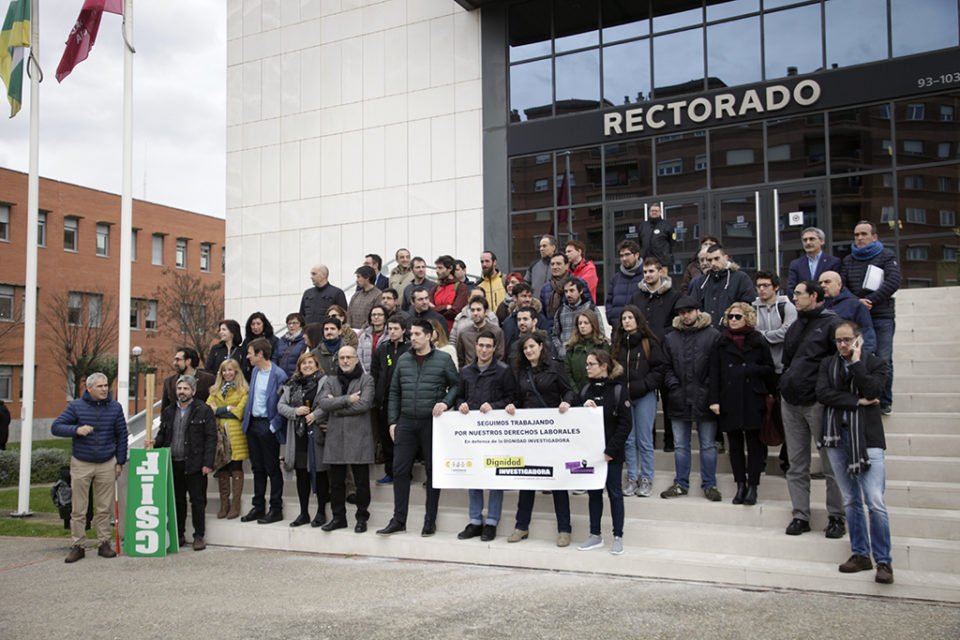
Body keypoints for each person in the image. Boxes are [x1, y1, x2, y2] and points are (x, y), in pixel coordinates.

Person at [816, 320, 894, 584]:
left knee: (875, 501)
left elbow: (874, 390)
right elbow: (823, 394)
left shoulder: (876, 363)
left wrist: (857, 363)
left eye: (847, 339)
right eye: (838, 340)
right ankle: (860, 554)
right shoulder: (828, 364)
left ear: (858, 339)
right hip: (838, 436)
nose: (842, 345)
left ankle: (883, 561)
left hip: (868, 439)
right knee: (850, 499)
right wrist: (856, 401)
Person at [377, 319, 459, 537]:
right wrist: (393, 421)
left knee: (433, 471)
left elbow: (457, 385)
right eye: (411, 334)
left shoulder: (443, 359)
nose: (411, 337)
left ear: (429, 336)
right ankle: (399, 519)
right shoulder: (403, 360)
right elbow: (394, 391)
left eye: (416, 334)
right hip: (405, 422)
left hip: (432, 423)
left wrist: (446, 402)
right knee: (400, 470)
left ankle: (430, 520)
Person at [779, 281, 845, 538]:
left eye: (798, 294)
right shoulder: (795, 326)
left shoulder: (831, 324)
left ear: (814, 296)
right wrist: (783, 384)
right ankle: (800, 515)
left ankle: (837, 517)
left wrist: (824, 392)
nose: (794, 298)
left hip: (818, 403)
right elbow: (786, 362)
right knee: (796, 464)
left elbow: (839, 364)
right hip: (791, 402)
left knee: (831, 464)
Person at [505, 332, 576, 547]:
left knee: (557, 482)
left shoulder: (555, 367)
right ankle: (521, 526)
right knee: (527, 481)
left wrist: (567, 403)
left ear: (541, 346)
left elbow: (569, 391)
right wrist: (511, 405)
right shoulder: (521, 372)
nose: (528, 351)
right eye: (525, 348)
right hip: (529, 436)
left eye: (532, 347)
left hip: (551, 433)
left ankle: (564, 529)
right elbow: (517, 398)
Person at [51, 372, 128, 563]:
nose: (104, 389)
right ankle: (78, 545)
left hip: (106, 462)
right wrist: (76, 430)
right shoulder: (76, 406)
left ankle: (104, 543)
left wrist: (119, 462)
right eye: (100, 386)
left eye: (106, 386)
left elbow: (122, 435)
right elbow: (56, 426)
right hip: (81, 462)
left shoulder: (115, 407)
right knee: (79, 508)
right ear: (89, 388)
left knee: (104, 508)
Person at [708, 303, 775, 506]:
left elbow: (769, 369)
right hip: (730, 398)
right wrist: (714, 400)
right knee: (735, 445)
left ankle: (753, 486)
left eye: (738, 316)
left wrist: (752, 371)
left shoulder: (758, 340)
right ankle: (740, 485)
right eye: (730, 317)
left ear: (748, 317)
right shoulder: (721, 342)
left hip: (753, 397)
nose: (734, 320)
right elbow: (714, 373)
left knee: (755, 445)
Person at [455, 331, 518, 542]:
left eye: (488, 346)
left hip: (495, 434)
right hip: (472, 434)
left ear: (494, 348)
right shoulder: (465, 372)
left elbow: (512, 398)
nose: (483, 350)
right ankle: (474, 521)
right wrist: (460, 404)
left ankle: (491, 522)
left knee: (494, 477)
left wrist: (495, 406)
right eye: (480, 345)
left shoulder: (503, 371)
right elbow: (459, 396)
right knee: (474, 475)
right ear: (475, 346)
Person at [661, 296, 721, 501]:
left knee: (708, 444)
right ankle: (681, 483)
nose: (686, 315)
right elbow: (666, 367)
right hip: (679, 398)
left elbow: (716, 368)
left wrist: (708, 390)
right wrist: (674, 387)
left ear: (698, 311)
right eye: (682, 312)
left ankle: (710, 484)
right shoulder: (671, 338)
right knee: (680, 445)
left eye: (689, 311)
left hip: (705, 398)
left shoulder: (713, 335)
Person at [840, 221, 901, 415]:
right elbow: (842, 285)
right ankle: (863, 394)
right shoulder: (848, 260)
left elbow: (893, 281)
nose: (859, 238)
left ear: (874, 237)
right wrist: (857, 302)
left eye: (864, 234)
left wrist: (870, 301)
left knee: (883, 358)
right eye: (857, 234)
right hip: (857, 317)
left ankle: (884, 400)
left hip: (881, 316)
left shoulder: (887, 256)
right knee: (857, 356)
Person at [152, 375, 217, 550]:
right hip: (173, 463)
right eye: (179, 388)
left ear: (193, 391)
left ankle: (198, 536)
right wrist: (154, 443)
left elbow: (211, 438)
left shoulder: (204, 410)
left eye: (186, 389)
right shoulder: (168, 411)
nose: (182, 392)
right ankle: (178, 534)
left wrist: (208, 462)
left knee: (197, 501)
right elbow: (162, 434)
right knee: (177, 501)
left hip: (195, 464)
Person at [577, 350, 632, 555]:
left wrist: (611, 451)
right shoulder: (584, 391)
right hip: (592, 455)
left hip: (611, 454)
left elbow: (626, 424)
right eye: (587, 364)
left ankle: (618, 536)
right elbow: (577, 422)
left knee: (615, 494)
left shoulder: (617, 390)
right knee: (594, 494)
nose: (587, 367)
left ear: (603, 366)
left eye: (591, 364)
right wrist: (583, 408)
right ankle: (595, 535)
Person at [318, 346, 375, 533]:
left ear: (356, 359)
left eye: (348, 357)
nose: (345, 361)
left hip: (359, 437)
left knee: (361, 482)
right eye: (342, 357)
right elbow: (323, 403)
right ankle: (338, 518)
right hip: (335, 438)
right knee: (336, 482)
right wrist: (347, 399)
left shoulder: (367, 380)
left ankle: (361, 518)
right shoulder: (330, 380)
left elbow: (363, 405)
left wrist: (336, 405)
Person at [612, 305, 666, 498]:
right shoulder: (617, 343)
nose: (626, 321)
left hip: (644, 397)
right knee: (628, 439)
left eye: (630, 318)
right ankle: (632, 478)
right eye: (624, 318)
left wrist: (645, 385)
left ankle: (646, 479)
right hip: (624, 399)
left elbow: (659, 369)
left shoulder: (649, 342)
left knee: (644, 440)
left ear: (638, 320)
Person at [630, 256, 681, 451]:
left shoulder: (673, 296)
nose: (648, 275)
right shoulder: (637, 297)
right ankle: (648, 439)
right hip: (642, 354)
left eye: (651, 271)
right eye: (645, 272)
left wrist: (659, 337)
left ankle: (669, 440)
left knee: (668, 398)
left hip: (666, 352)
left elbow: (675, 324)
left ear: (660, 272)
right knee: (645, 397)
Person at [240, 336, 289, 524]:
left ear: (260, 354)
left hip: (267, 426)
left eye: (250, 353)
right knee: (257, 468)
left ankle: (276, 508)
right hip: (253, 424)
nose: (247, 357)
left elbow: (282, 403)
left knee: (272, 468)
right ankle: (258, 506)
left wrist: (272, 426)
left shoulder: (278, 375)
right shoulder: (254, 372)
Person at [278, 351, 329, 528]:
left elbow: (329, 403)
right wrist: (295, 412)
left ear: (316, 365)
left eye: (310, 363)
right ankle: (304, 512)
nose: (307, 366)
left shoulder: (325, 381)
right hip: (298, 435)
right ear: (299, 367)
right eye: (303, 363)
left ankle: (321, 511)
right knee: (301, 474)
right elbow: (281, 406)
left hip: (317, 434)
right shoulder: (291, 385)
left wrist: (316, 414)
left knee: (320, 473)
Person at [753, 270, 796, 472]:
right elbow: (750, 332)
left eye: (766, 285)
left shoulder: (786, 306)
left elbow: (788, 333)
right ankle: (759, 459)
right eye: (759, 286)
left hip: (783, 368)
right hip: (761, 369)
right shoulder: (752, 307)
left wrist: (762, 336)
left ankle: (787, 460)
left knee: (786, 415)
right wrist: (772, 335)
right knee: (760, 415)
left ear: (776, 287)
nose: (762, 289)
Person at [206, 358, 249, 519]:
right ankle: (224, 504)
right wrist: (225, 409)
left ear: (236, 372)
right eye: (224, 370)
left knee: (236, 465)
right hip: (220, 433)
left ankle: (235, 504)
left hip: (236, 433)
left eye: (230, 370)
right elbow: (209, 409)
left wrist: (218, 410)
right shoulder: (215, 389)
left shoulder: (244, 389)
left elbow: (239, 412)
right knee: (222, 466)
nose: (227, 373)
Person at [370, 315, 411, 485]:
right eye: (390, 329)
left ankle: (404, 474)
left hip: (403, 402)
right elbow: (374, 373)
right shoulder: (382, 349)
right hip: (384, 401)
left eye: (395, 329)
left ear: (403, 330)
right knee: (386, 438)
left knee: (403, 440)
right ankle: (390, 472)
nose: (392, 332)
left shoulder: (410, 349)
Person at [691, 243, 755, 330]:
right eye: (709, 260)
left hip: (732, 332)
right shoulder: (701, 282)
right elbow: (693, 305)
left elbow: (747, 306)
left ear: (726, 257)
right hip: (707, 333)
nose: (713, 263)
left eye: (716, 258)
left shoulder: (741, 278)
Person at [819, 271, 877, 354]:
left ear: (839, 285)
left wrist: (862, 356)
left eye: (827, 282)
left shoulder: (855, 306)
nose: (822, 285)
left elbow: (866, 332)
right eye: (820, 283)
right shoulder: (817, 307)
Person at [564, 310, 611, 392]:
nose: (582, 326)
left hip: (600, 391)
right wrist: (576, 392)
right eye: (580, 323)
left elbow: (607, 370)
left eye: (586, 323)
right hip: (578, 393)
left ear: (593, 324)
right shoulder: (571, 347)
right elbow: (567, 372)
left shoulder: (602, 344)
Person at [786, 226, 842, 296]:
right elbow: (791, 289)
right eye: (805, 240)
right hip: (803, 305)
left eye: (812, 239)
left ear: (822, 241)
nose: (808, 242)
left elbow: (836, 287)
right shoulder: (795, 264)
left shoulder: (833, 262)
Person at [551, 278, 597, 359]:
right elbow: (555, 335)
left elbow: (599, 333)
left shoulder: (591, 309)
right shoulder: (560, 311)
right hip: (565, 359)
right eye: (566, 291)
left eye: (572, 291)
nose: (568, 294)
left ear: (581, 291)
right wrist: (560, 349)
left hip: (586, 358)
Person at [456, 296, 505, 368]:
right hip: (470, 375)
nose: (475, 313)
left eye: (478, 310)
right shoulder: (464, 333)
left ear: (486, 312)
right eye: (472, 310)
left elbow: (500, 357)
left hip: (492, 374)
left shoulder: (496, 331)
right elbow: (461, 360)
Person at [605, 240, 644, 329]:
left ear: (637, 255)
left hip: (639, 330)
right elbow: (609, 302)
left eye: (627, 254)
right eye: (621, 256)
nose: (624, 259)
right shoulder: (615, 278)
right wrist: (612, 318)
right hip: (617, 329)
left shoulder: (645, 276)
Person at [162, 347, 215, 411]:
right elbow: (164, 410)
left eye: (177, 360)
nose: (174, 363)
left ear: (188, 361)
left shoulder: (208, 379)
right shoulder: (169, 382)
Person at [500, 283, 547, 351]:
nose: (528, 300)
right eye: (524, 296)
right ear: (515, 298)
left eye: (530, 296)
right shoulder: (508, 321)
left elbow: (546, 343)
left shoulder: (540, 318)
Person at [431, 255, 469, 332]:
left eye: (440, 268)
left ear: (450, 268)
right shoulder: (435, 288)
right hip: (435, 333)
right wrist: (445, 307)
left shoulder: (461, 287)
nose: (437, 271)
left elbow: (456, 311)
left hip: (453, 333)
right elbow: (429, 310)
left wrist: (437, 309)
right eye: (436, 268)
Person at [239, 312, 279, 381]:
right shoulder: (247, 341)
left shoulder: (273, 340)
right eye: (253, 324)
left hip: (267, 374)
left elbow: (275, 358)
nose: (255, 327)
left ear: (264, 324)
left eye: (258, 324)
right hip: (249, 376)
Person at [639, 203, 675, 270]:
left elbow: (672, 242)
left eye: (656, 211)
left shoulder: (667, 225)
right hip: (646, 261)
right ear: (649, 212)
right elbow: (640, 242)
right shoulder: (643, 226)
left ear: (660, 212)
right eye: (652, 211)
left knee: (663, 280)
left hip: (662, 262)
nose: (654, 212)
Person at [347, 265, 384, 329]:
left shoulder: (378, 295)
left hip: (368, 334)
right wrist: (349, 330)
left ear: (367, 278)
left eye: (359, 277)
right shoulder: (356, 295)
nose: (356, 280)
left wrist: (362, 330)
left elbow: (376, 316)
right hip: (352, 333)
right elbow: (349, 314)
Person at [272, 313, 308, 377]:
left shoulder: (304, 341)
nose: (291, 326)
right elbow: (274, 358)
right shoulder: (281, 341)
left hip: (296, 378)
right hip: (281, 378)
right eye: (289, 323)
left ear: (301, 325)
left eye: (295, 323)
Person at [357, 305, 388, 374]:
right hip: (365, 374)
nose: (376, 317)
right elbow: (359, 356)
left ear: (385, 318)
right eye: (373, 315)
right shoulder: (364, 336)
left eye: (379, 315)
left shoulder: (389, 336)